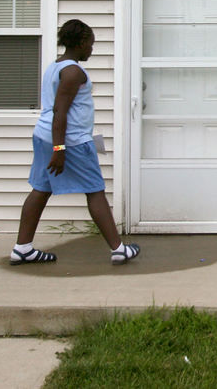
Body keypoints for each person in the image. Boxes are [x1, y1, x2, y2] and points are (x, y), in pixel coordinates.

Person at [10, 19, 140, 266]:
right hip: (71, 142)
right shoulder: (73, 72)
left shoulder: (55, 66)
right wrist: (60, 150)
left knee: (41, 188)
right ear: (81, 43)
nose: (92, 49)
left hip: (44, 136)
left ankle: (22, 248)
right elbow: (60, 112)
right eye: (90, 45)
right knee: (95, 191)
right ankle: (119, 249)